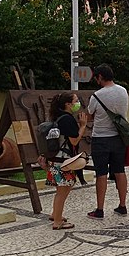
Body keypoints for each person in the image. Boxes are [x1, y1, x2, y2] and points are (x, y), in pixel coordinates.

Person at [86, 64, 129, 218]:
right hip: (119, 138)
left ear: (100, 77)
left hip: (101, 138)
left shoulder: (97, 96)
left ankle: (99, 209)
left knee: (101, 173)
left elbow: (90, 115)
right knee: (120, 171)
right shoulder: (123, 91)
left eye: (96, 78)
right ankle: (122, 205)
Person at [43, 92, 88, 230]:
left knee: (61, 189)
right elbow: (74, 141)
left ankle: (55, 214)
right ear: (68, 104)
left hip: (56, 159)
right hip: (63, 161)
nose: (77, 103)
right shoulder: (67, 119)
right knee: (62, 191)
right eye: (75, 101)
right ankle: (57, 221)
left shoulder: (58, 117)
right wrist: (83, 126)